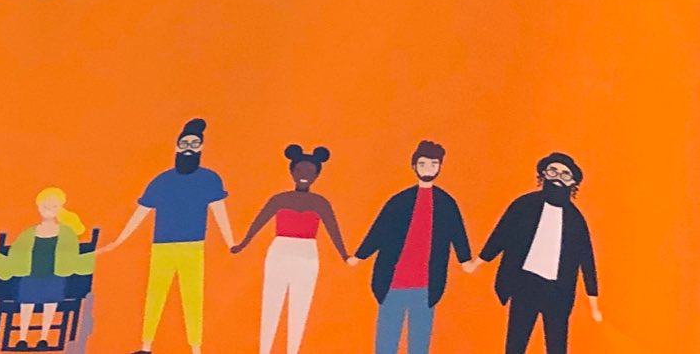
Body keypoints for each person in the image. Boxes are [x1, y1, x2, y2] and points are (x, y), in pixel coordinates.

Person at [102, 117, 234, 354]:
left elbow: (219, 213)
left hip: (193, 246)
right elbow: (140, 214)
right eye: (184, 143)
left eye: (194, 144)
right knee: (155, 295)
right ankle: (146, 347)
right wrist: (119, 240)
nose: (189, 148)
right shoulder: (161, 181)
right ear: (176, 147)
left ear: (201, 148)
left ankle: (196, 348)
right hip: (161, 246)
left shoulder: (209, 179)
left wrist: (231, 242)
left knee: (192, 297)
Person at [349, 140, 477, 354]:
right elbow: (379, 230)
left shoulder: (446, 203)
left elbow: (458, 233)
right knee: (386, 340)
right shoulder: (400, 200)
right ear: (414, 166)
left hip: (427, 284)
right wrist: (360, 256)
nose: (428, 169)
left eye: (434, 164)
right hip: (392, 281)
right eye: (423, 163)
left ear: (440, 167)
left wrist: (465, 260)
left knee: (419, 341)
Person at [231, 145, 350, 354]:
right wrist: (243, 244)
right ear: (292, 172)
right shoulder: (280, 199)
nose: (304, 176)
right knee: (271, 302)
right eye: (300, 171)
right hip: (279, 252)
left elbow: (333, 230)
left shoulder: (320, 202)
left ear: (316, 175)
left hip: (307, 256)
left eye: (310, 172)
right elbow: (259, 222)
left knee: (300, 306)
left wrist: (344, 255)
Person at [480, 153, 601, 354]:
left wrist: (593, 302)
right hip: (524, 284)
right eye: (553, 171)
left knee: (556, 346)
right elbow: (501, 235)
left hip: (557, 292)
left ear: (572, 183)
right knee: (515, 343)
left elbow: (587, 261)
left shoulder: (575, 219)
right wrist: (478, 262)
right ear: (543, 174)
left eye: (565, 174)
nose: (557, 178)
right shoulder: (524, 204)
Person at [0, 186, 94, 352]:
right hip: (30, 277)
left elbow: (73, 256)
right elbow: (15, 255)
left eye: (54, 206)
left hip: (54, 277)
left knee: (50, 305)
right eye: (45, 206)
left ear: (60, 208)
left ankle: (44, 338)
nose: (48, 210)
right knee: (26, 305)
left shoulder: (66, 232)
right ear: (38, 207)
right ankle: (22, 339)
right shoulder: (29, 232)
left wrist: (97, 253)